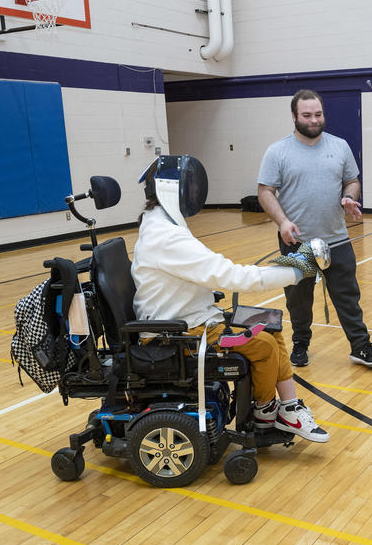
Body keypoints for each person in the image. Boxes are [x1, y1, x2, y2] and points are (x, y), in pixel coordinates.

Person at [131, 155, 329, 443]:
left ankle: (288, 408)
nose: (195, 194)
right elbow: (234, 276)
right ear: (171, 190)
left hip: (193, 319)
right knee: (262, 345)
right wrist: (296, 272)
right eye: (191, 187)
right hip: (180, 334)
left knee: (270, 323)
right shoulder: (165, 237)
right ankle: (264, 411)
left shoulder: (162, 225)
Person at [257, 89, 372, 368]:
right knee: (298, 301)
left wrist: (350, 197)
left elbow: (352, 180)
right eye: (307, 115)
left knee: (349, 297)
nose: (314, 120)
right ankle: (300, 344)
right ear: (294, 116)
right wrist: (282, 222)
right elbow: (265, 191)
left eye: (318, 114)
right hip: (296, 243)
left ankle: (361, 347)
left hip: (337, 239)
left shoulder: (339, 146)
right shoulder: (277, 151)